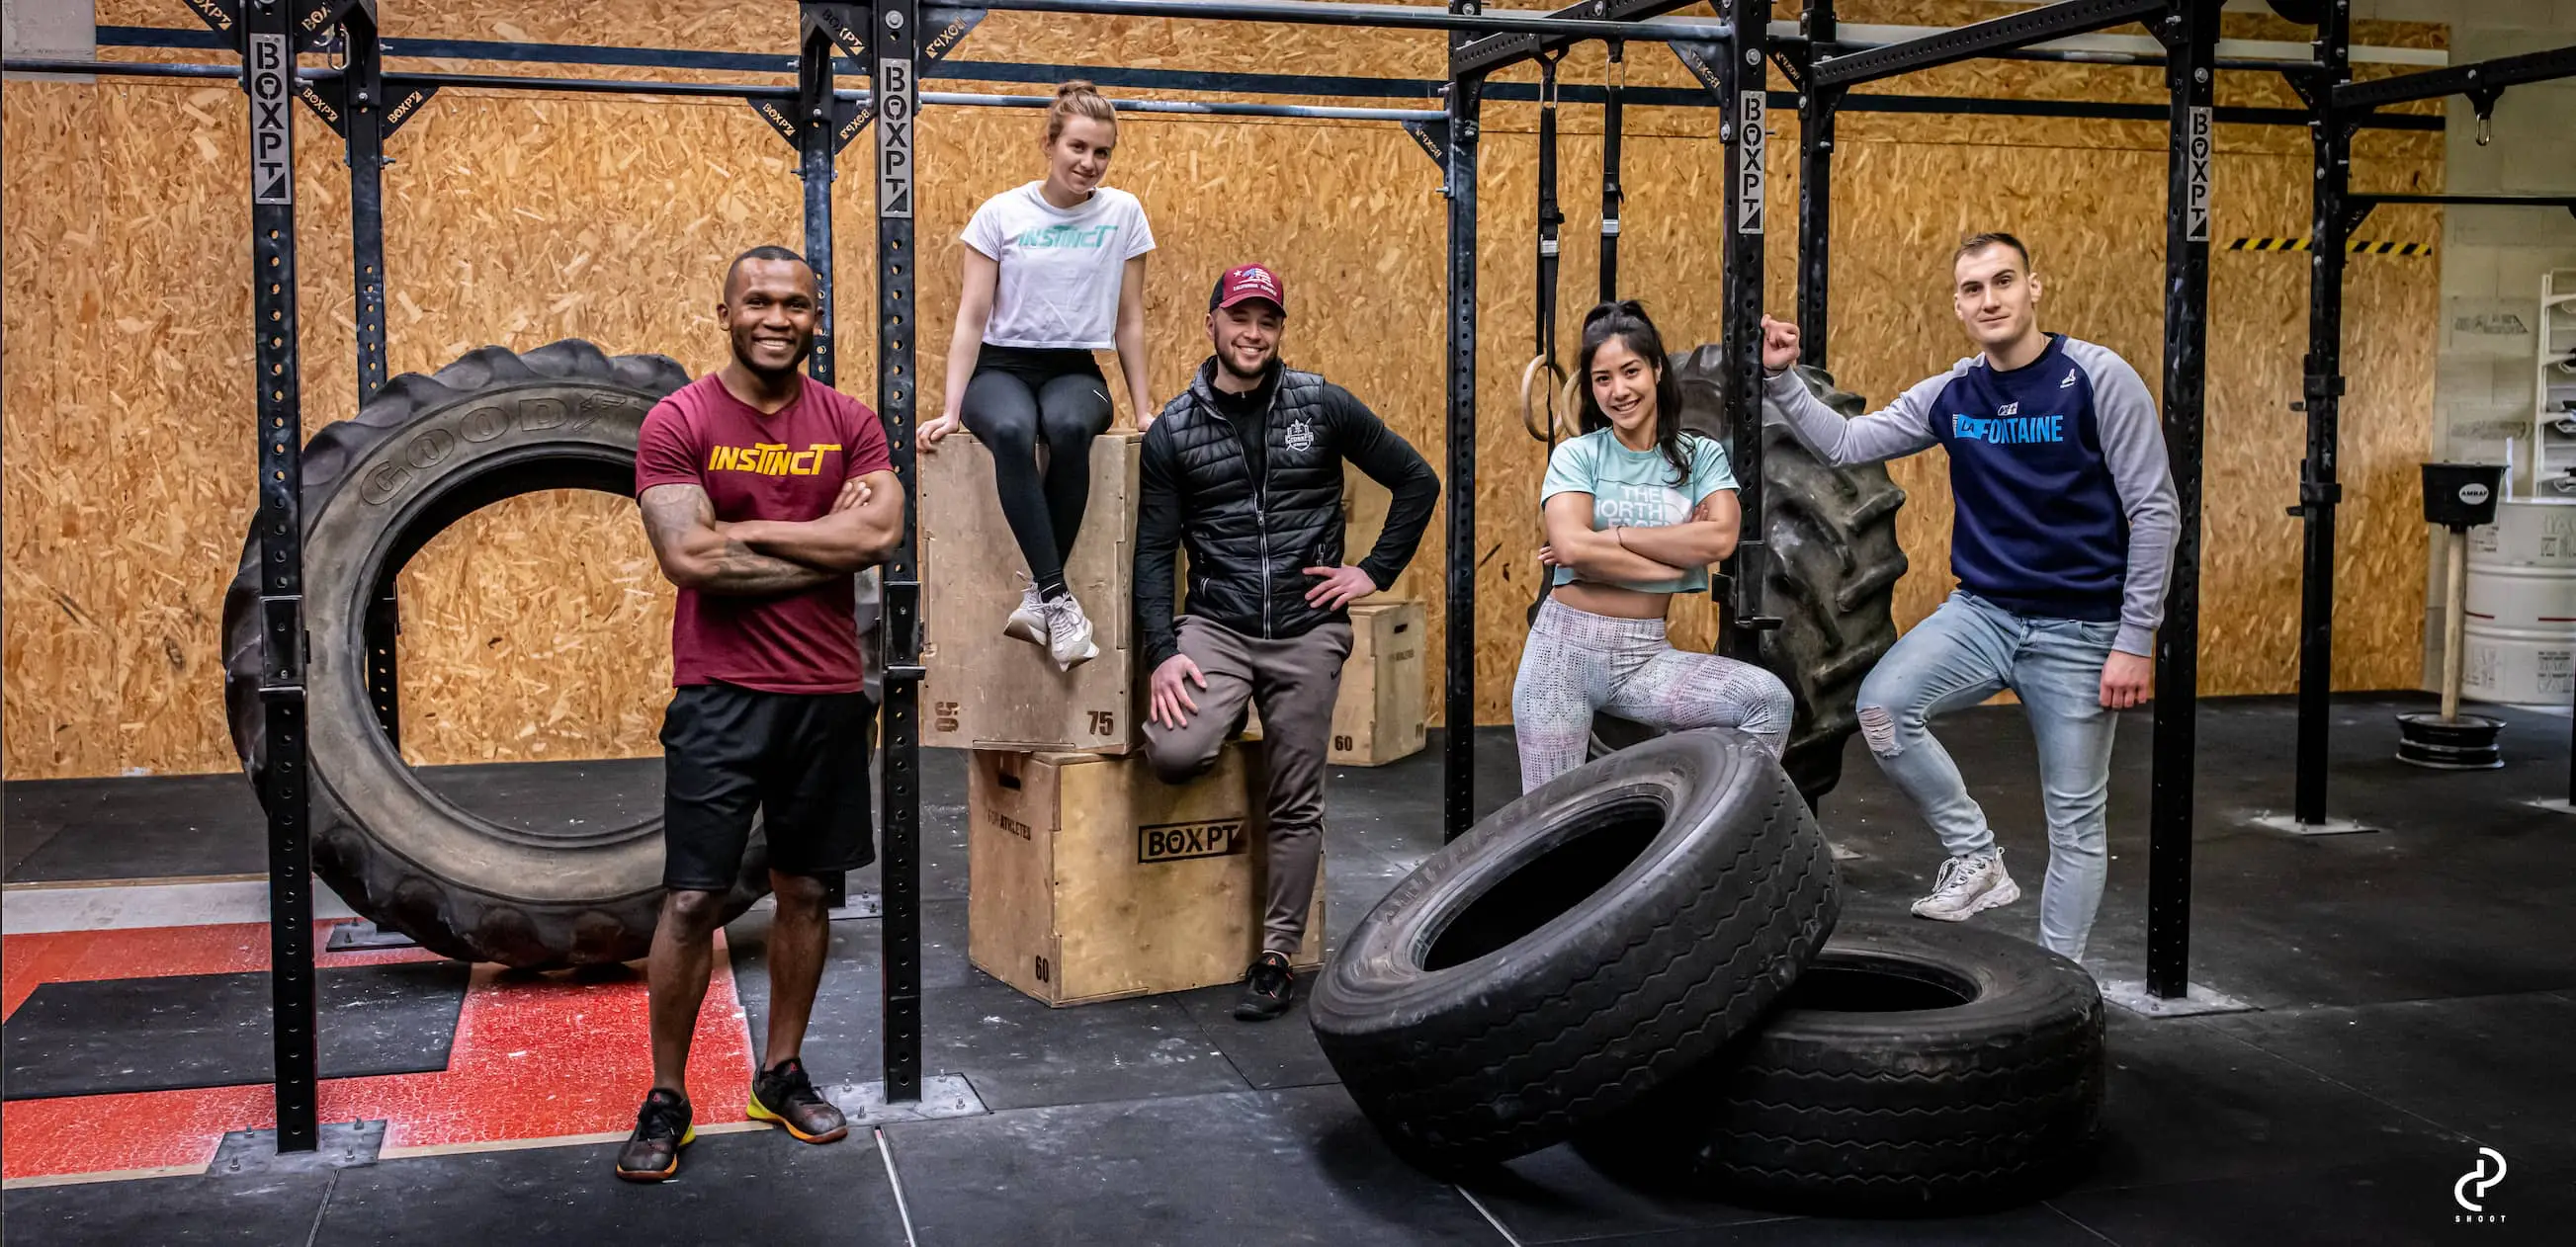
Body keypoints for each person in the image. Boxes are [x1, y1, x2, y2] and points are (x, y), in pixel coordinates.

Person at [1759, 231, 2178, 963]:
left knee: (2075, 822)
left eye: (2003, 281)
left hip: (2081, 629)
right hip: (1984, 612)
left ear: (2034, 287)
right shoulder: (1955, 392)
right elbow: (1852, 443)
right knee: (1884, 707)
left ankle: (2061, 982)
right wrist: (1783, 380)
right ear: (1958, 305)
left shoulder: (2098, 377)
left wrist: (2135, 640)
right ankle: (1975, 856)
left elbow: (2155, 511)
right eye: (1973, 289)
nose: (1990, 299)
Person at [618, 245, 906, 1182]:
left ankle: (779, 1073)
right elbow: (691, 561)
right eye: (758, 302)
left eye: (795, 304)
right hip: (719, 693)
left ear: (815, 318)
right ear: (726, 312)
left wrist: (745, 525)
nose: (777, 318)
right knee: (694, 898)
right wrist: (826, 545)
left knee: (808, 891)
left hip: (824, 694)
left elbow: (881, 534)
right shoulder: (680, 420)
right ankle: (666, 1094)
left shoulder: (852, 424)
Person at [1136, 263, 1439, 1022]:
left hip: (1306, 630)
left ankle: (1275, 957)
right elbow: (1151, 552)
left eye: (1267, 321)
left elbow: (1417, 480)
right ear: (1211, 323)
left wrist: (1372, 572)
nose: (1253, 333)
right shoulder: (1174, 429)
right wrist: (1161, 652)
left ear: (1279, 331)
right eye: (1240, 318)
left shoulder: (1322, 404)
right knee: (1173, 753)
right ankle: (1230, 704)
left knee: (1295, 800)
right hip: (1217, 624)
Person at [1511, 300, 1795, 793]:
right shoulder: (1579, 455)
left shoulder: (1699, 456)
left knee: (1768, 701)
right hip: (1561, 656)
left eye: (1630, 371)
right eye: (1602, 379)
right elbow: (1573, 549)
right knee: (1548, 824)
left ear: (1657, 370)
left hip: (1643, 657)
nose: (1619, 391)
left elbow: (1720, 538)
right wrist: (1672, 561)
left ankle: (1710, 837)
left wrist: (1614, 538)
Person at [920, 80, 1156, 672]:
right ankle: (1058, 598)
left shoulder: (1123, 213)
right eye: (1077, 147)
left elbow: (1129, 320)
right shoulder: (1002, 213)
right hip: (1002, 364)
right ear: (1050, 144)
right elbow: (972, 318)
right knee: (1011, 429)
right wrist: (951, 410)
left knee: (1071, 426)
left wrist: (1145, 407)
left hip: (1075, 365)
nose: (1089, 163)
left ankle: (1039, 598)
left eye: (1102, 152)